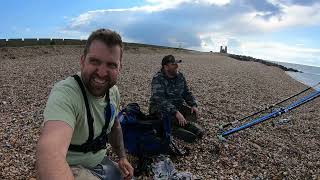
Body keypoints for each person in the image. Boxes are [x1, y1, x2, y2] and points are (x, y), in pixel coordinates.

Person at [36, 29, 134, 180]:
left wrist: (122, 157)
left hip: (99, 162)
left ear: (119, 68)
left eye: (111, 65)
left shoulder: (113, 92)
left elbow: (115, 127)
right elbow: (50, 153)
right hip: (71, 167)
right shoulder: (66, 94)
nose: (101, 72)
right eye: (95, 61)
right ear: (82, 61)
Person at [149, 55, 204, 143]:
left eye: (177, 63)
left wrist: (193, 104)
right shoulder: (158, 79)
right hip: (159, 108)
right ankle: (176, 129)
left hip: (176, 105)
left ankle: (178, 124)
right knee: (168, 117)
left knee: (192, 114)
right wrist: (176, 112)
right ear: (166, 67)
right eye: (173, 64)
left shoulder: (180, 76)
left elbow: (186, 92)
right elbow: (160, 100)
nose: (177, 66)